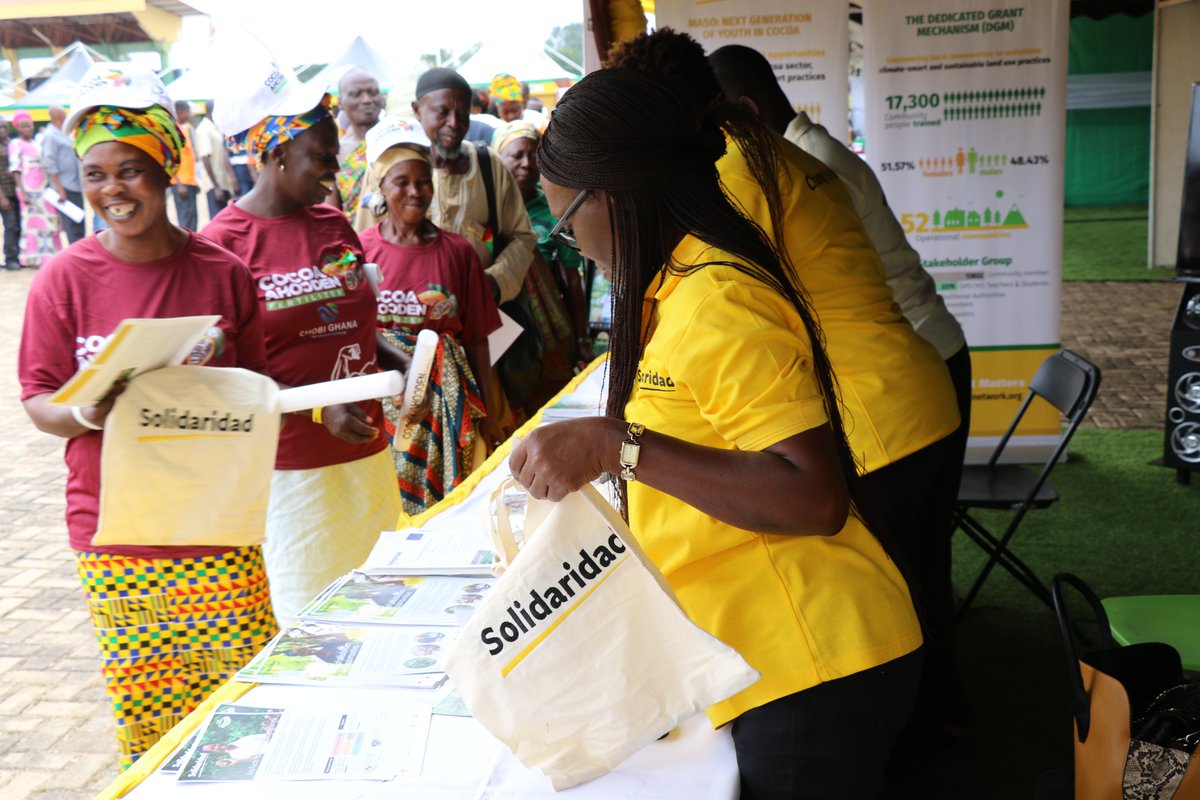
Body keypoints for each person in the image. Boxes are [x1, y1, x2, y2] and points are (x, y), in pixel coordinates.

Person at [511, 67, 923, 799]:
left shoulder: (718, 298)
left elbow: (812, 496)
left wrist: (620, 446)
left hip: (813, 660)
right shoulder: (676, 287)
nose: (573, 243)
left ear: (612, 195)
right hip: (769, 655)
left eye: (567, 220)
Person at [17, 62, 278, 769]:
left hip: (212, 518)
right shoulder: (62, 280)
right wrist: (84, 410)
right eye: (95, 174)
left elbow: (256, 389)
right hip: (116, 528)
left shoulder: (222, 272)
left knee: (238, 696)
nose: (111, 191)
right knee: (148, 705)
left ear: (166, 164)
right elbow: (39, 400)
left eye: (129, 169)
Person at [709, 42, 974, 736]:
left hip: (903, 375)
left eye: (714, 127)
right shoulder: (810, 156)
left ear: (743, 110)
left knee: (897, 574)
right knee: (921, 558)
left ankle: (918, 721)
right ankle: (942, 707)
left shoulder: (789, 168)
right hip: (925, 363)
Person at [205, 61, 408, 623]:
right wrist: (320, 406)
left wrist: (405, 362)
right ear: (275, 156)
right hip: (290, 468)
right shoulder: (222, 246)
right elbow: (226, 375)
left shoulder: (333, 225)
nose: (334, 169)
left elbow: (356, 323)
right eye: (321, 156)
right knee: (314, 620)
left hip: (365, 450)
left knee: (380, 603)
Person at [358, 121, 503, 513]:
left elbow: (476, 337)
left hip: (444, 399)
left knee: (449, 501)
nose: (415, 191)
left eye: (423, 181)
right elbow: (356, 334)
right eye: (401, 181)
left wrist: (487, 412)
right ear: (382, 187)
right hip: (386, 398)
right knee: (387, 498)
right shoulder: (361, 250)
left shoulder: (458, 252)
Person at [406, 67, 536, 305]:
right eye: (442, 112)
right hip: (414, 317)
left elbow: (523, 237)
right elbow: (371, 244)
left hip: (481, 312)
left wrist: (494, 282)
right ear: (417, 110)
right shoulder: (396, 167)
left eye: (462, 112)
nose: (454, 123)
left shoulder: (489, 163)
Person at [494, 119, 593, 371]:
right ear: (498, 158)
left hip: (545, 319)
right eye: (517, 155)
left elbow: (572, 278)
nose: (527, 164)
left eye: (533, 156)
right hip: (497, 322)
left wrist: (581, 338)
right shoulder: (487, 209)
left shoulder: (553, 209)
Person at [8, 110, 62, 267]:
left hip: (43, 190)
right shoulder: (15, 144)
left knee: (48, 222)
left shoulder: (37, 144)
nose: (27, 129)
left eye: (29, 125)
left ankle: (49, 256)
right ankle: (32, 258)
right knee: (31, 225)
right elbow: (15, 169)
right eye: (23, 126)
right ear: (17, 128)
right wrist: (23, 192)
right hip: (27, 190)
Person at [331, 67, 384, 221]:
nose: (367, 100)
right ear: (340, 102)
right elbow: (331, 211)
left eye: (373, 92)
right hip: (356, 241)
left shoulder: (399, 140)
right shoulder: (336, 151)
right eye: (356, 94)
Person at [41, 104, 86, 244]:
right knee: (73, 227)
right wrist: (60, 190)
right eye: (65, 116)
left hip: (75, 185)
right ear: (59, 118)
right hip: (65, 188)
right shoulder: (50, 136)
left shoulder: (64, 133)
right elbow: (49, 164)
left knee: (79, 222)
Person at [194, 100, 237, 221]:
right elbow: (205, 158)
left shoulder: (216, 128)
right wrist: (216, 187)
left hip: (223, 182)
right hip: (214, 185)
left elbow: (224, 155)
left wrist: (231, 179)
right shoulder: (203, 130)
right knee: (218, 220)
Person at [170, 100, 199, 230]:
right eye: (188, 111)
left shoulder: (184, 129)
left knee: (193, 217)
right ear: (180, 112)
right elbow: (170, 159)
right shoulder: (173, 131)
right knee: (186, 218)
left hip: (189, 180)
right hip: (180, 182)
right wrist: (179, 183)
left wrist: (195, 180)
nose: (190, 115)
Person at [0, 117, 20, 269]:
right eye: (1, 127)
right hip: (3, 193)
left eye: (5, 127)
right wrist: (2, 198)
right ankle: (10, 259)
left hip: (13, 191)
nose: (3, 130)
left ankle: (14, 257)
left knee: (15, 226)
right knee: (10, 226)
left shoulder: (12, 143)